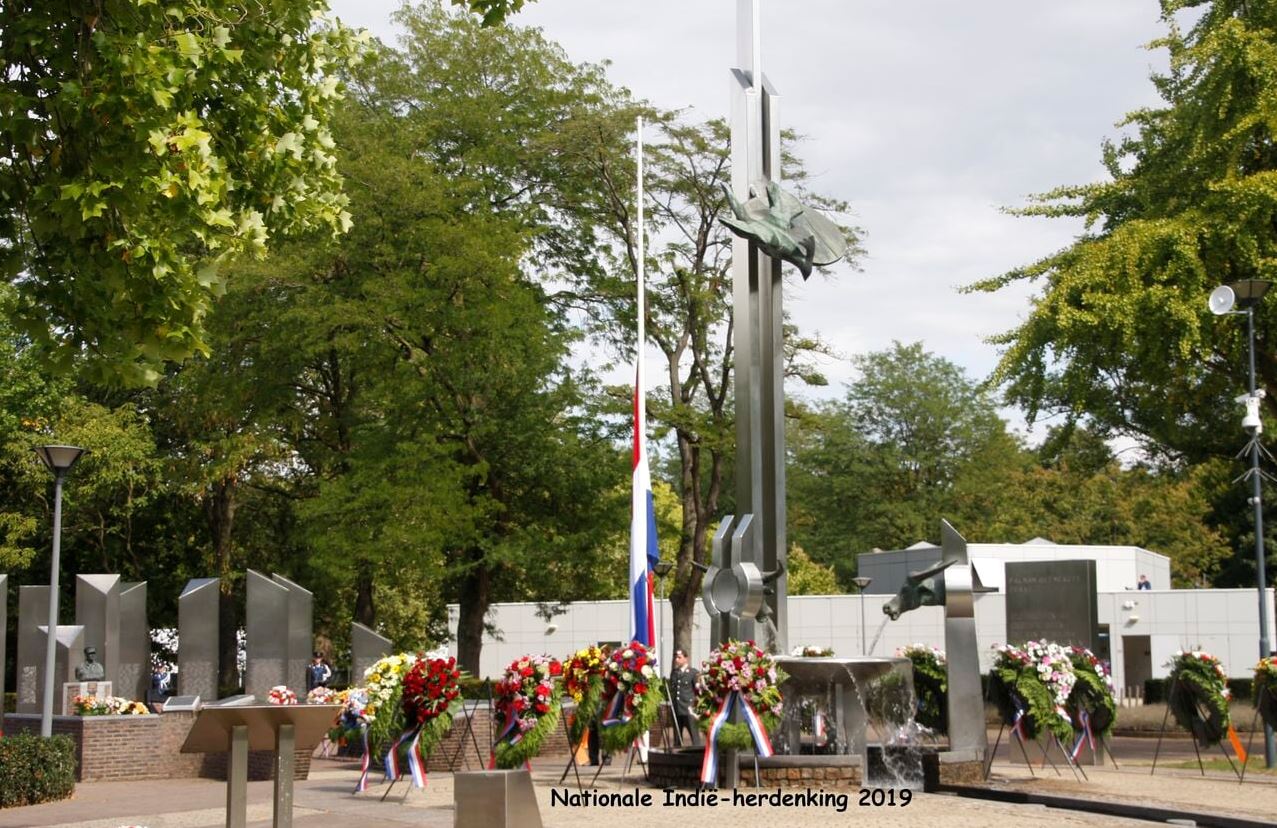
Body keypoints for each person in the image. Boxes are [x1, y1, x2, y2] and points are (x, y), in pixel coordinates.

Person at [668, 648, 700, 747]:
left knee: (694, 735)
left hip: (688, 708)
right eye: (676, 658)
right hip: (677, 708)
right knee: (677, 737)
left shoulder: (693, 672)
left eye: (679, 657)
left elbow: (698, 691)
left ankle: (697, 754)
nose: (677, 660)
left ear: (686, 658)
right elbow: (672, 689)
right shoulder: (674, 672)